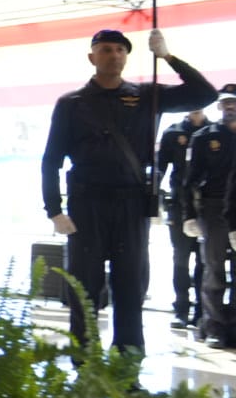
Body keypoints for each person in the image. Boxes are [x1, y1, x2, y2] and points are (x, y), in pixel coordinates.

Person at [42, 28, 214, 354]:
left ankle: (128, 365)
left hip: (131, 204)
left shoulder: (146, 96)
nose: (114, 55)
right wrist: (54, 209)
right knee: (84, 288)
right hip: (86, 204)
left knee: (131, 287)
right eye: (106, 49)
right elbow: (51, 159)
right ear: (92, 57)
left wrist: (168, 57)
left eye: (120, 50)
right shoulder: (71, 103)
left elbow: (205, 95)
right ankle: (84, 363)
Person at [186, 87, 236, 348]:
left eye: (234, 103)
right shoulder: (205, 137)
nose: (230, 107)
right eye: (226, 103)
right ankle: (214, 327)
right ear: (219, 107)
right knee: (214, 270)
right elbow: (190, 179)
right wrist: (190, 215)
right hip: (214, 209)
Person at [158, 107, 207, 331]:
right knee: (181, 259)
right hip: (179, 205)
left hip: (208, 206)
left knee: (205, 262)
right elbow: (159, 170)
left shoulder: (214, 131)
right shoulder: (173, 133)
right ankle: (181, 309)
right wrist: (155, 204)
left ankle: (201, 312)